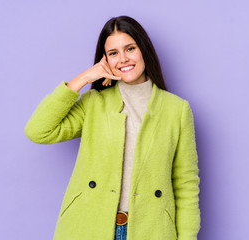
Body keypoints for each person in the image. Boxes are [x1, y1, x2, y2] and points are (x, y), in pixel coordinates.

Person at [25, 15, 200, 240]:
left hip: (151, 229)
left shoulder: (177, 110)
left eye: (130, 48)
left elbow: (186, 184)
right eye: (113, 53)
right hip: (90, 226)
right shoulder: (94, 103)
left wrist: (187, 237)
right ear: (105, 60)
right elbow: (38, 131)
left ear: (143, 49)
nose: (123, 59)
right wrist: (84, 78)